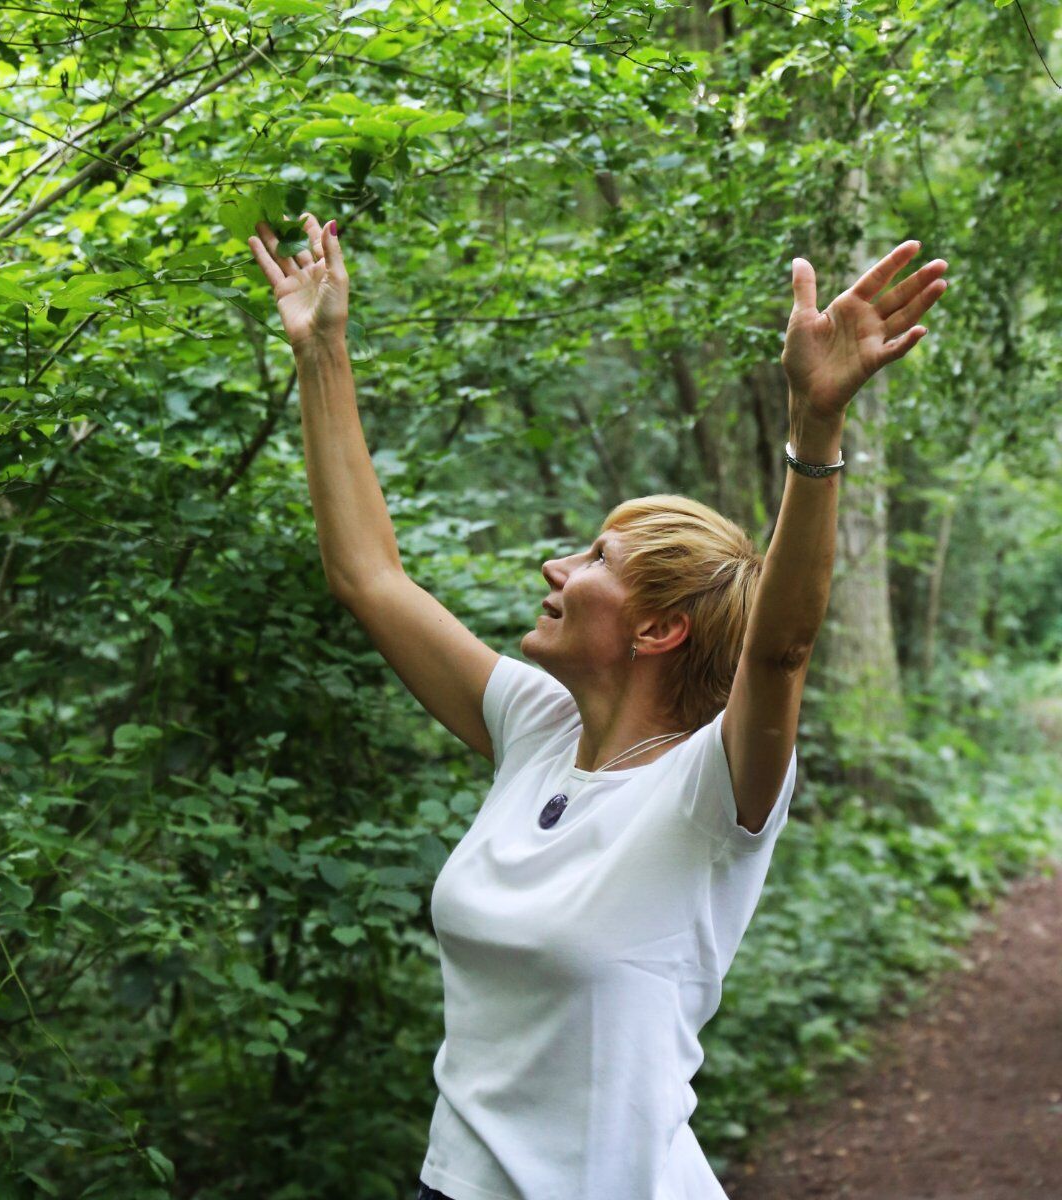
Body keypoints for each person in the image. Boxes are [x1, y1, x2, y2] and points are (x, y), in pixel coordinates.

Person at [248, 213, 949, 1200]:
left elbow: (782, 650)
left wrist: (815, 427)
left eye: (594, 560)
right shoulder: (537, 729)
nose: (555, 564)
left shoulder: (708, 795)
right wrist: (322, 349)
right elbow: (369, 577)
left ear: (659, 630)